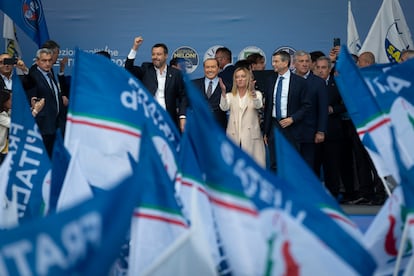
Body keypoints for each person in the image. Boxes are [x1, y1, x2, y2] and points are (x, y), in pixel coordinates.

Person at [124, 36, 187, 132]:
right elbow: (128, 68)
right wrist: (135, 47)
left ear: (166, 56)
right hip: (149, 120)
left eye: (158, 54)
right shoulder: (146, 69)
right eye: (153, 54)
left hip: (169, 120)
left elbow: (183, 96)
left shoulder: (175, 73)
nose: (155, 57)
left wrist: (182, 117)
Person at [263, 50, 311, 172]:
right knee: (274, 163)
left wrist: (292, 118)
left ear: (285, 63)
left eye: (276, 61)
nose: (273, 64)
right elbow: (268, 106)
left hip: (292, 126)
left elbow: (307, 106)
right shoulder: (270, 80)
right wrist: (266, 131)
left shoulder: (300, 82)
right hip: (274, 126)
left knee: (293, 162)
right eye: (273, 61)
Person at [313, 56, 350, 200]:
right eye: (318, 68)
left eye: (324, 68)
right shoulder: (310, 83)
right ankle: (316, 197)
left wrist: (333, 109)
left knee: (332, 166)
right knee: (314, 165)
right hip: (314, 132)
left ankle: (333, 197)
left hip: (333, 131)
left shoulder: (338, 84)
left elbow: (347, 103)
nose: (321, 71)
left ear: (329, 69)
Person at [22, 48, 66, 157]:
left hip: (55, 125)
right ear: (37, 61)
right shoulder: (34, 75)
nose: (47, 63)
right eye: (44, 60)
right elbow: (30, 90)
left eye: (49, 60)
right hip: (42, 127)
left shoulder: (50, 73)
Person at [219, 67, 265, 167]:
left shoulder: (256, 94)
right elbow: (223, 107)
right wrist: (223, 92)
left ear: (248, 78)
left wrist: (253, 92)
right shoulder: (230, 96)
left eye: (243, 76)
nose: (240, 79)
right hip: (234, 136)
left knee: (253, 168)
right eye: (237, 77)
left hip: (251, 137)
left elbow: (258, 105)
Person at [293, 50, 328, 170]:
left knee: (308, 167)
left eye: (307, 61)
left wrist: (321, 131)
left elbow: (323, 109)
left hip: (310, 132)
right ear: (294, 63)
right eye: (301, 61)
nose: (304, 64)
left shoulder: (318, 82)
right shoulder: (287, 80)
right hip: (291, 132)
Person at [0, 88, 44, 164]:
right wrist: (35, 111)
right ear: (3, 101)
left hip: (4, 148)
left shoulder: (7, 110)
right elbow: (19, 124)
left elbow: (21, 116)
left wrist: (33, 108)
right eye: (11, 99)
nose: (13, 101)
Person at [192, 58, 227, 130]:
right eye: (207, 67)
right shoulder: (193, 84)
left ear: (218, 68)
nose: (210, 70)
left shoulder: (227, 85)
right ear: (204, 69)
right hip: (198, 129)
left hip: (220, 130)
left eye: (213, 67)